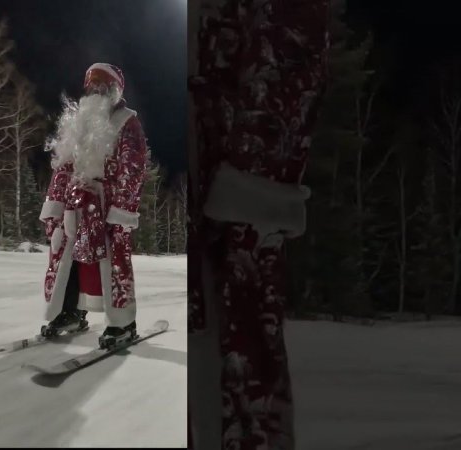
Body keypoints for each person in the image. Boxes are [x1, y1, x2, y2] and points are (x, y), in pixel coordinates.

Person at [189, 1, 329, 449]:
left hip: (229, 242)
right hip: (218, 227)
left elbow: (291, 51)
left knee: (225, 395)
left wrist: (254, 192)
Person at [39, 62, 149, 349]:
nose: (94, 91)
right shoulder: (78, 124)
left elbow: (132, 169)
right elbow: (62, 169)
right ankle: (71, 311)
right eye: (91, 85)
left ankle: (121, 322)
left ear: (115, 91)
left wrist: (121, 210)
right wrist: (53, 207)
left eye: (102, 85)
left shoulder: (127, 122)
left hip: (106, 207)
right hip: (74, 208)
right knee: (69, 260)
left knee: (112, 263)